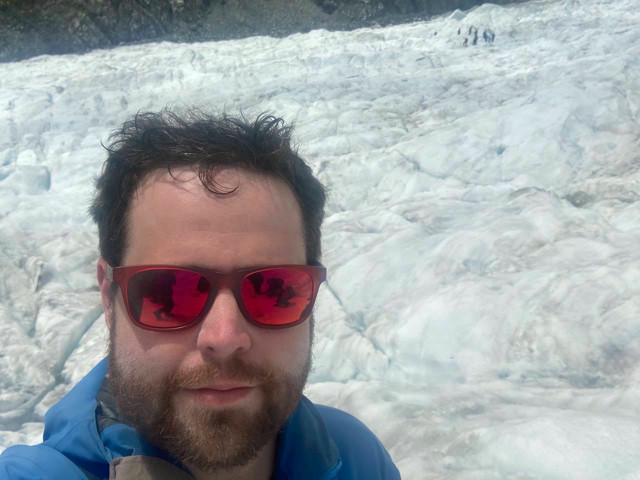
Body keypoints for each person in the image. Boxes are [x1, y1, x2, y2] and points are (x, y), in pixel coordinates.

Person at [0, 109, 401, 479]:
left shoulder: (356, 456)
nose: (224, 338)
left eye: (275, 289)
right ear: (109, 296)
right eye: (168, 291)